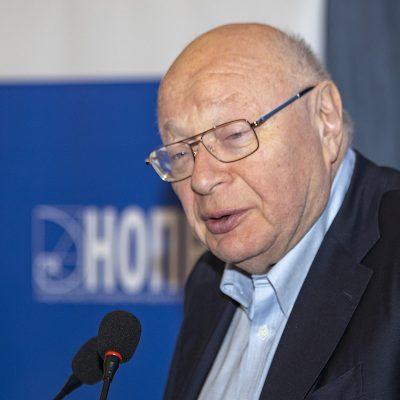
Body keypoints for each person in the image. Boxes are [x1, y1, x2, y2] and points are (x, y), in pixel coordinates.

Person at [146, 23, 400, 400]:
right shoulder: (207, 283)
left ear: (325, 118)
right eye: (181, 153)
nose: (202, 179)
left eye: (234, 135)